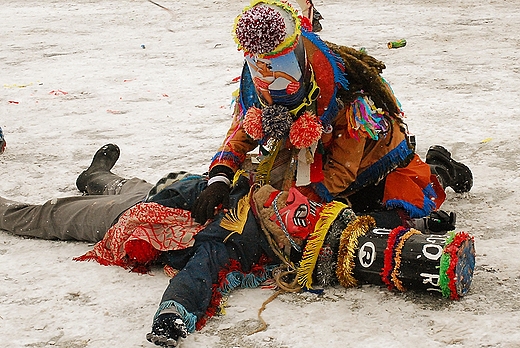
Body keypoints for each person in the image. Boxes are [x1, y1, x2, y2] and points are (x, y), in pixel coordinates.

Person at [0, 1, 474, 347]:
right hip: (291, 167)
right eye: (260, 67)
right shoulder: (259, 84)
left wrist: (268, 196)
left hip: (364, 166)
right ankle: (98, 178)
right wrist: (223, 178)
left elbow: (337, 177)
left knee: (396, 203)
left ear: (302, 56)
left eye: (280, 66)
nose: (270, 78)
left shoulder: (346, 98)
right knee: (168, 193)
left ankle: (439, 166)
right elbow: (239, 137)